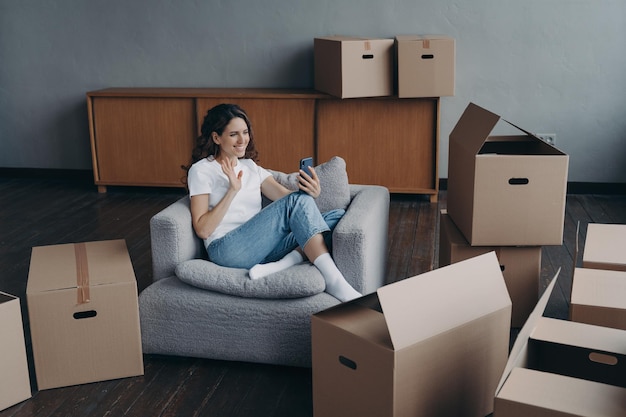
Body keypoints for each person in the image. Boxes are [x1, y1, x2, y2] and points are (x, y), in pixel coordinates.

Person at [184, 103, 361, 302]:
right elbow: (203, 230)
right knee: (298, 203)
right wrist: (232, 191)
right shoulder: (201, 170)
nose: (242, 140)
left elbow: (289, 200)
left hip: (261, 249)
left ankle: (281, 264)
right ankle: (335, 282)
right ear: (217, 138)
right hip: (227, 249)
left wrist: (312, 193)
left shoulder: (250, 167)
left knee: (335, 216)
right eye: (234, 134)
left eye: (245, 132)